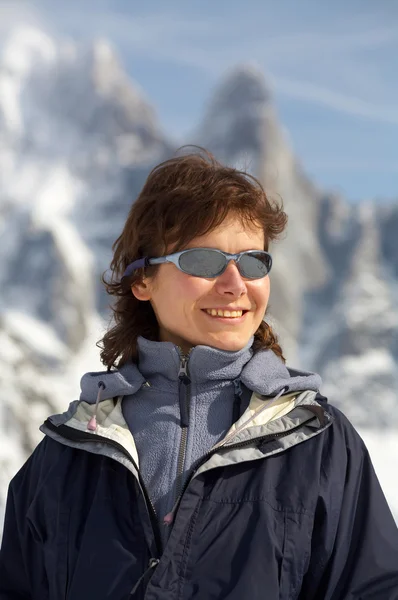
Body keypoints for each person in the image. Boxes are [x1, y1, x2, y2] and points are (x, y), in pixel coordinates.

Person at [1, 150, 398, 600]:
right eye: (204, 262)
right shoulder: (67, 455)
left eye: (253, 262)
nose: (235, 284)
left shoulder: (320, 446)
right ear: (142, 280)